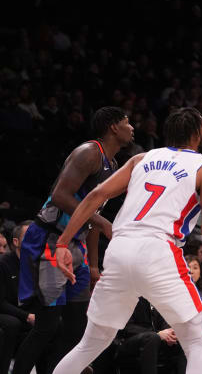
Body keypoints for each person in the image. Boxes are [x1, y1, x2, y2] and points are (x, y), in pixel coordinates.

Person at [51, 107, 202, 374]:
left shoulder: (141, 159)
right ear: (199, 132)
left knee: (92, 342)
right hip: (159, 250)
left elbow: (96, 195)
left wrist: (63, 243)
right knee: (195, 340)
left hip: (119, 248)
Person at [15, 107, 133, 374]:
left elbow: (91, 218)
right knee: (47, 326)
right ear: (113, 127)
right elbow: (60, 196)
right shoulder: (89, 153)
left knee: (76, 327)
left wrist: (93, 266)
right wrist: (102, 222)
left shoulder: (112, 166)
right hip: (49, 239)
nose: (132, 127)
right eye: (127, 122)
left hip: (76, 246)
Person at [0, 221, 34, 374]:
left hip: (26, 311)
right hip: (9, 311)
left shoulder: (39, 264)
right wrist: (26, 316)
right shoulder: (4, 263)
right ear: (16, 242)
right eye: (30, 236)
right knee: (12, 324)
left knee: (54, 323)